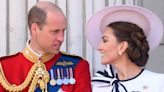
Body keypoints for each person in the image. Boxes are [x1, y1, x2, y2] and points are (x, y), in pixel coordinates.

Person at [0, 1, 91, 92]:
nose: (61, 38)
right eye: (55, 31)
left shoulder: (77, 66)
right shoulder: (4, 68)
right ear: (35, 29)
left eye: (63, 31)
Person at [86, 5, 164, 92]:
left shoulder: (158, 83)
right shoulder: (101, 86)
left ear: (122, 46)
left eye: (105, 40)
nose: (99, 47)